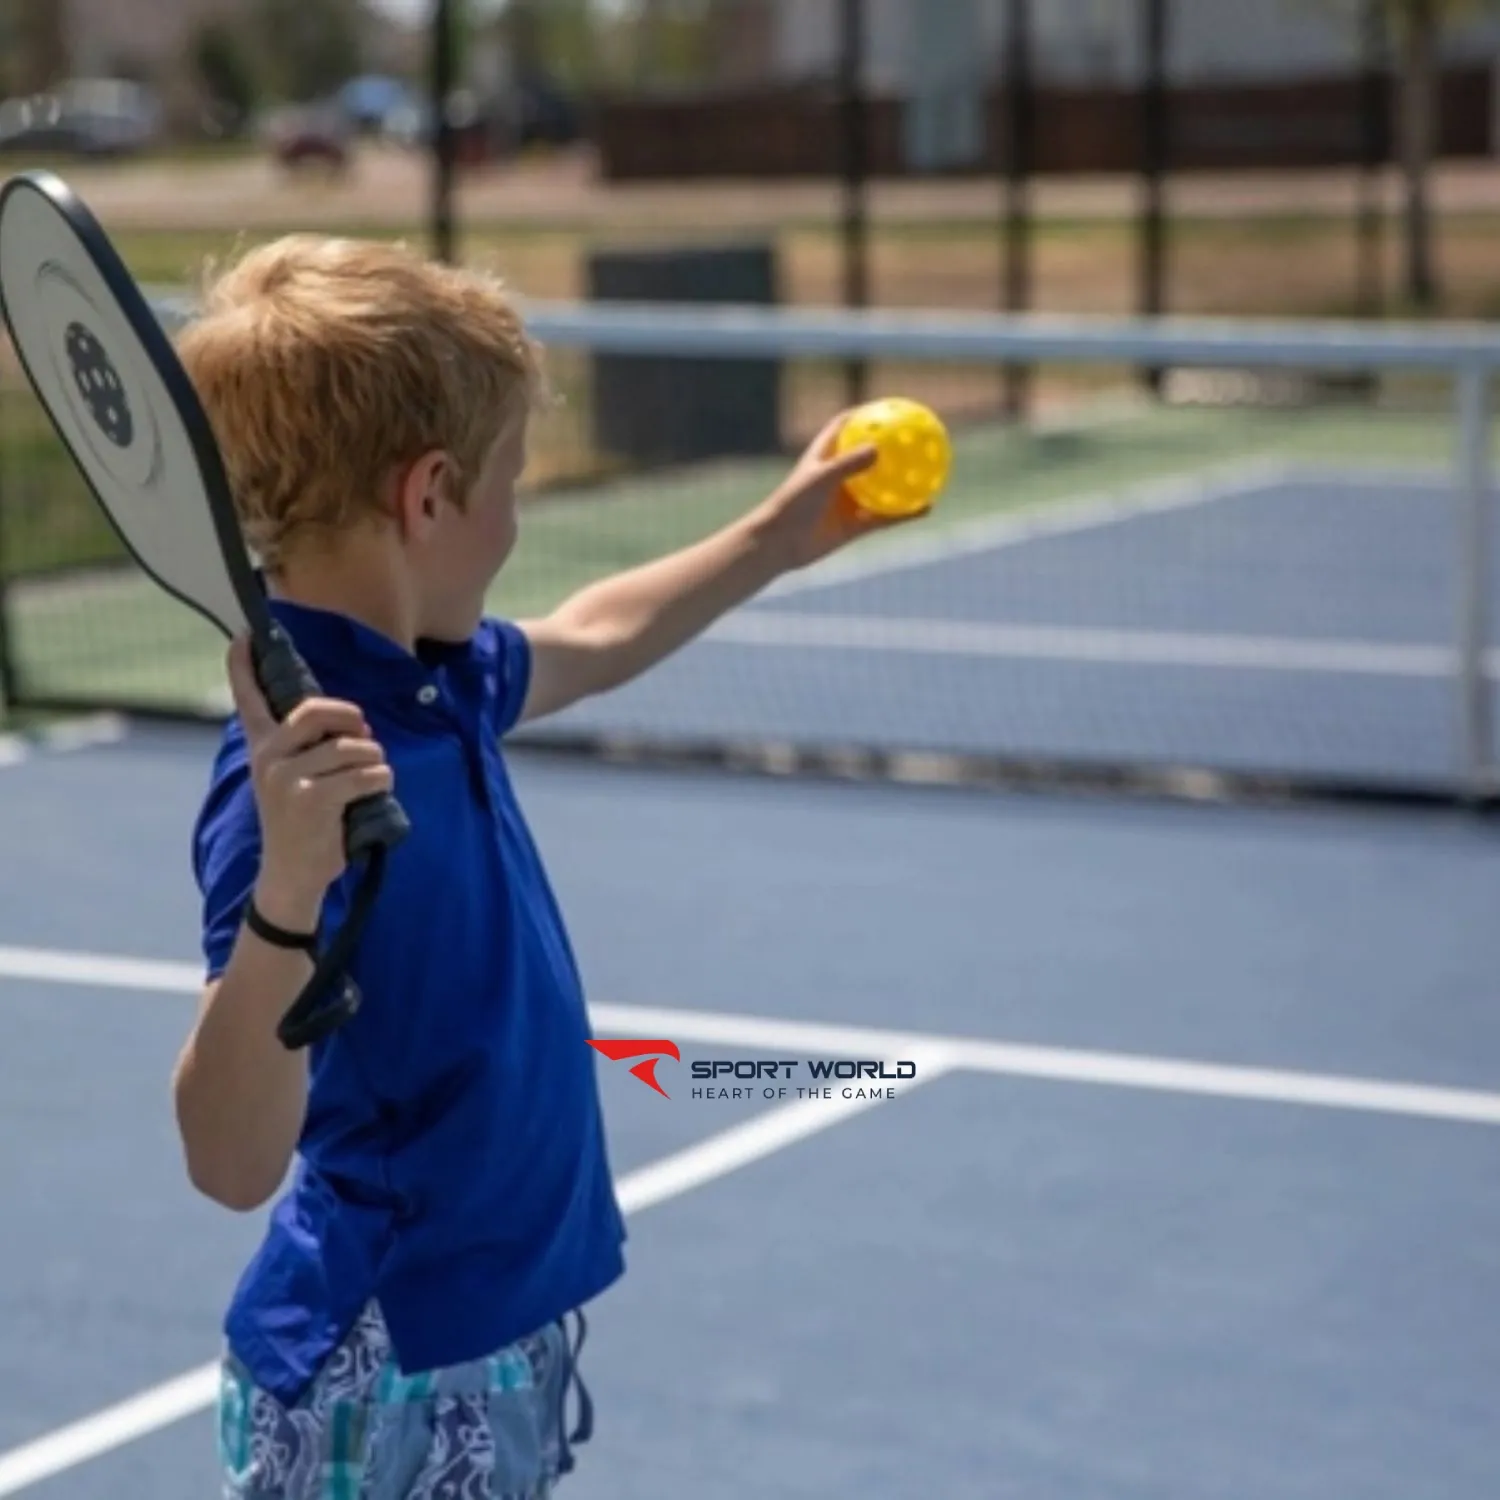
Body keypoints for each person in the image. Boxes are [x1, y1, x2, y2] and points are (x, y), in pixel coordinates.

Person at [169, 234, 916, 1500]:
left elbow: (593, 635)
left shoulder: (436, 676)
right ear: (432, 494)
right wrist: (286, 896)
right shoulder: (293, 783)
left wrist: (777, 537)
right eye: (511, 484)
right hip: (382, 1362)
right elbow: (230, 1162)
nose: (515, 525)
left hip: (491, 1334)